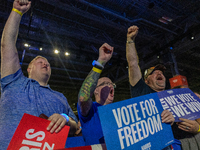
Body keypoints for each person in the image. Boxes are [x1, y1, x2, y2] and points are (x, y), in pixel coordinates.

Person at [0, 0, 77, 149]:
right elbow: (7, 45)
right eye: (39, 61)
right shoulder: (14, 82)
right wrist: (17, 12)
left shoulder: (60, 97)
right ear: (29, 69)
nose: (45, 63)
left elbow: (75, 127)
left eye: (47, 62)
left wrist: (65, 117)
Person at [126, 25, 175, 150]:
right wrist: (130, 40)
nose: (160, 73)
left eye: (161, 73)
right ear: (146, 80)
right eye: (154, 73)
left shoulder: (172, 97)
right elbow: (132, 64)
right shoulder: (142, 90)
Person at [77, 43, 115, 145]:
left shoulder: (118, 111)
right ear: (96, 90)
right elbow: (83, 98)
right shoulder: (92, 109)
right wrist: (101, 62)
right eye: (106, 84)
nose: (111, 86)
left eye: (112, 84)